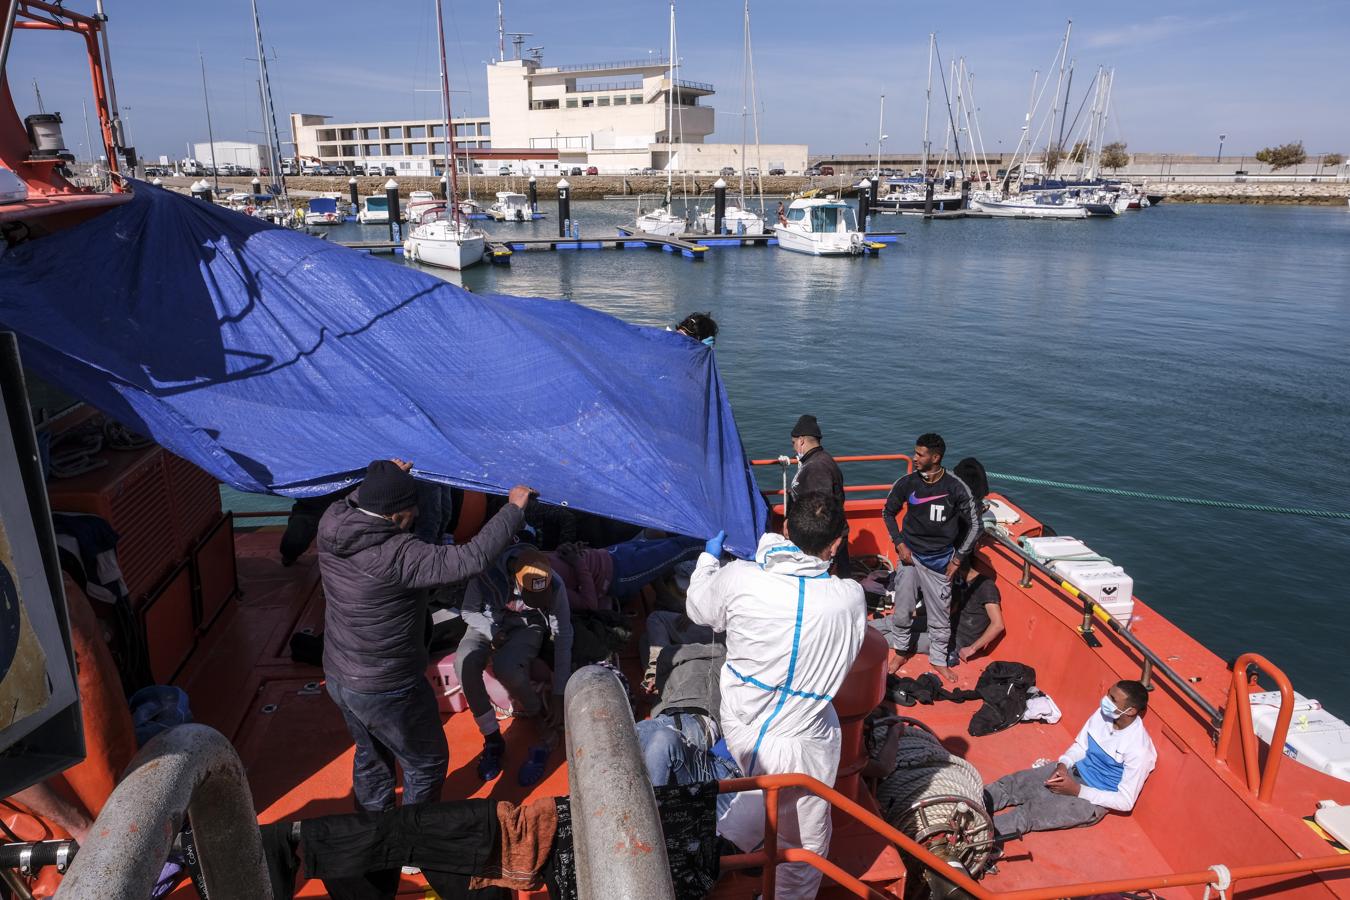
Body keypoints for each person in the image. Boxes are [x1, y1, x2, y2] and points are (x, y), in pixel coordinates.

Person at [317, 460, 532, 812]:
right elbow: (471, 558)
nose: (416, 512)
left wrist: (387, 477)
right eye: (409, 508)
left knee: (371, 756)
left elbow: (364, 496)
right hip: (387, 685)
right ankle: (416, 842)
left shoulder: (332, 521)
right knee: (426, 763)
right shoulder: (399, 557)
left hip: (340, 675)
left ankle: (373, 833)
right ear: (390, 516)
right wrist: (513, 508)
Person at [686, 492, 866, 900]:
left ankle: (725, 835)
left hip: (743, 726)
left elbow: (699, 609)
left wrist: (708, 560)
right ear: (835, 545)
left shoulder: (740, 578)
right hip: (806, 745)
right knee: (805, 850)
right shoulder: (850, 598)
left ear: (785, 530)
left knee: (767, 795)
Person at [984, 681, 1157, 840]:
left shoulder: (1139, 749)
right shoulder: (1102, 714)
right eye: (1108, 694)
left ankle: (975, 836)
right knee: (1010, 785)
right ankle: (964, 806)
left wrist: (1077, 790)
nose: (1105, 700)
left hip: (1090, 798)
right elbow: (1081, 746)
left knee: (1027, 814)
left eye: (1113, 699)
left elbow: (1125, 801)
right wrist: (1063, 764)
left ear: (1131, 710)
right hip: (1071, 773)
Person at [458, 546, 574, 782]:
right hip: (486, 623)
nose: (535, 602)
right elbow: (468, 611)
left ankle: (537, 714)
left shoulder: (555, 584)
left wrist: (560, 693)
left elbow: (563, 636)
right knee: (464, 663)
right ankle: (492, 738)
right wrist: (493, 632)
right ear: (515, 579)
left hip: (526, 626)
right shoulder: (485, 570)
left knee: (506, 667)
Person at [875, 432, 981, 683]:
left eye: (920, 454)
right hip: (910, 557)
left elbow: (976, 525)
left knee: (940, 617)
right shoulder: (907, 483)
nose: (914, 458)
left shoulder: (956, 487)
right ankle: (900, 652)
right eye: (915, 452)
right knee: (902, 610)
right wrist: (899, 543)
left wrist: (957, 560)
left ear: (936, 457)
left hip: (940, 561)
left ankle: (939, 660)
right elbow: (888, 512)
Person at [548, 532, 702, 611]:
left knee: (661, 537)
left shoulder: (531, 559)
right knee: (682, 547)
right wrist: (578, 562)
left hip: (612, 553)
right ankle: (723, 547)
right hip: (619, 575)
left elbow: (566, 564)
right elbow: (589, 604)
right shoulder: (550, 588)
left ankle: (663, 596)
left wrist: (570, 549)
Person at [788, 414, 849, 577]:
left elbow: (823, 510)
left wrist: (827, 545)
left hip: (820, 545)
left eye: (794, 443)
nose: (794, 448)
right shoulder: (816, 461)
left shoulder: (817, 468)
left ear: (801, 441)